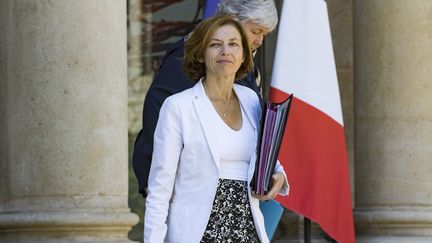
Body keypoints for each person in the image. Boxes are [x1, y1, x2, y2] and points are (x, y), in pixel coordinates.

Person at [144, 15, 289, 243]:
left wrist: (278, 174)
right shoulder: (178, 106)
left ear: (243, 55)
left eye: (233, 44)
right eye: (215, 44)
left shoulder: (251, 100)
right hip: (197, 233)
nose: (225, 51)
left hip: (248, 231)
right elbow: (160, 188)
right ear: (201, 54)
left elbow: (266, 156)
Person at [133, 0, 280, 198]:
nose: (260, 40)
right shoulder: (187, 58)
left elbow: (254, 129)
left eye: (265, 34)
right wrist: (168, 187)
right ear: (232, 21)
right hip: (185, 193)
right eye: (256, 31)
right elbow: (156, 113)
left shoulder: (245, 67)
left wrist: (275, 170)